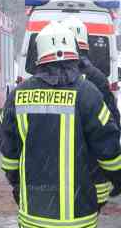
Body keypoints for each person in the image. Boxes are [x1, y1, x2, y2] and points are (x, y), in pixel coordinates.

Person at [0, 21, 121, 228]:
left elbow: (9, 155)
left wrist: (18, 186)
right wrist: (116, 182)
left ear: (39, 56)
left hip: (32, 214)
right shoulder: (88, 93)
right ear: (74, 53)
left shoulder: (18, 95)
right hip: (79, 215)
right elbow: (109, 151)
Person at [62, 16, 120, 210]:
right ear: (86, 45)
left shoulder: (45, 79)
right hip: (90, 171)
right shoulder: (97, 77)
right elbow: (111, 125)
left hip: (50, 174)